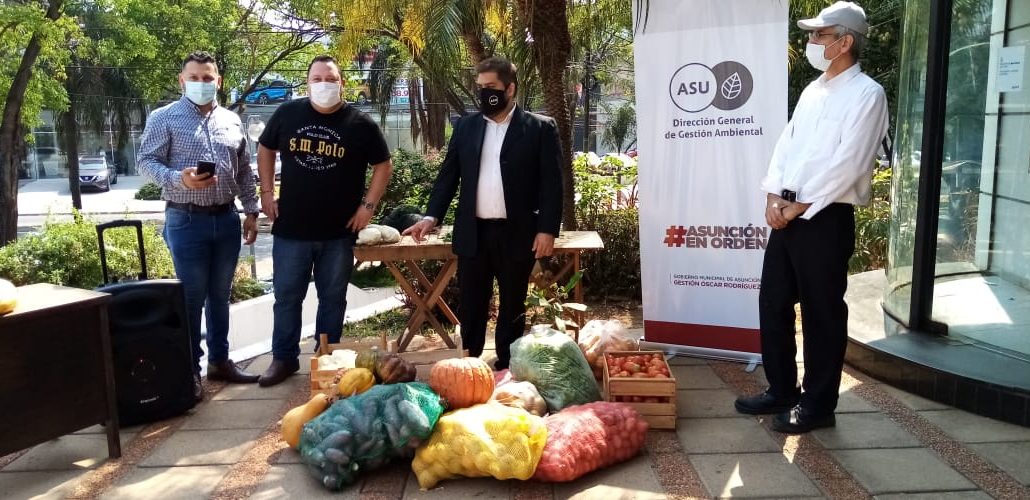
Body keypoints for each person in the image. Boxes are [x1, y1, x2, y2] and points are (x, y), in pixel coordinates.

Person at [733, 1, 889, 433]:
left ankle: (818, 405)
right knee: (773, 302)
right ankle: (782, 389)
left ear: (845, 42)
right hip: (787, 214)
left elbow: (850, 164)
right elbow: (787, 146)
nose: (812, 42)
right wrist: (773, 196)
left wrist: (799, 206)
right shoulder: (813, 90)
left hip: (825, 217)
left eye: (820, 35)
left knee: (822, 313)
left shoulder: (868, 94)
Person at [404, 56, 563, 371]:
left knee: (513, 305)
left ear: (510, 89)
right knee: (472, 304)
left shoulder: (539, 128)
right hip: (473, 232)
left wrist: (547, 229)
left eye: (491, 86)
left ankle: (506, 366)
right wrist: (431, 217)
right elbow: (448, 176)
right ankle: (470, 365)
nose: (484, 93)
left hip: (518, 232)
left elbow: (552, 183)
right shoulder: (466, 126)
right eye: (480, 87)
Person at [256, 55, 393, 387]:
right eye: (316, 79)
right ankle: (283, 359)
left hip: (338, 232)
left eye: (330, 79)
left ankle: (327, 359)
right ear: (307, 84)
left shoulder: (360, 124)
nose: (323, 84)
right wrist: (266, 192)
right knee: (287, 298)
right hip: (292, 229)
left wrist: (368, 207)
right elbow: (264, 148)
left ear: (342, 83)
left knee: (332, 299)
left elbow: (383, 165)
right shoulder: (288, 113)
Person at [138, 51, 262, 397]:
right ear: (182, 80)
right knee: (191, 299)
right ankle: (189, 372)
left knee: (220, 296)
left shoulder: (231, 120)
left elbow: (244, 171)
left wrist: (252, 212)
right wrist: (179, 178)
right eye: (194, 77)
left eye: (207, 78)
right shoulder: (164, 117)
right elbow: (145, 162)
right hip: (186, 219)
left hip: (226, 219)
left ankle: (220, 362)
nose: (201, 83)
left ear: (218, 81)